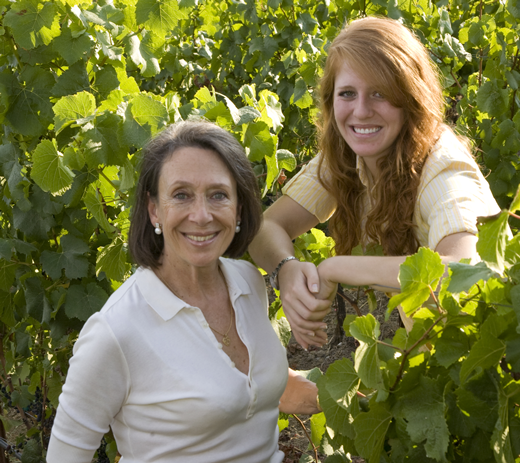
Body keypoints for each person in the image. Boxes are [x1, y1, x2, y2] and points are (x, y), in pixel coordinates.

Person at [47, 121, 319, 463]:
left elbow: (250, 392)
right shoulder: (116, 332)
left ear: (238, 208)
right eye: (181, 195)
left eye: (218, 194)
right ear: (154, 210)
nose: (201, 215)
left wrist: (364, 394)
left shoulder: (248, 282)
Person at [248, 16, 503, 349]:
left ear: (411, 99)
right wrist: (287, 269)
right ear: (330, 100)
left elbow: (463, 273)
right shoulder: (346, 157)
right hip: (441, 352)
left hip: (499, 360)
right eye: (348, 93)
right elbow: (267, 226)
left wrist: (336, 267)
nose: (361, 111)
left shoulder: (444, 169)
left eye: (380, 93)